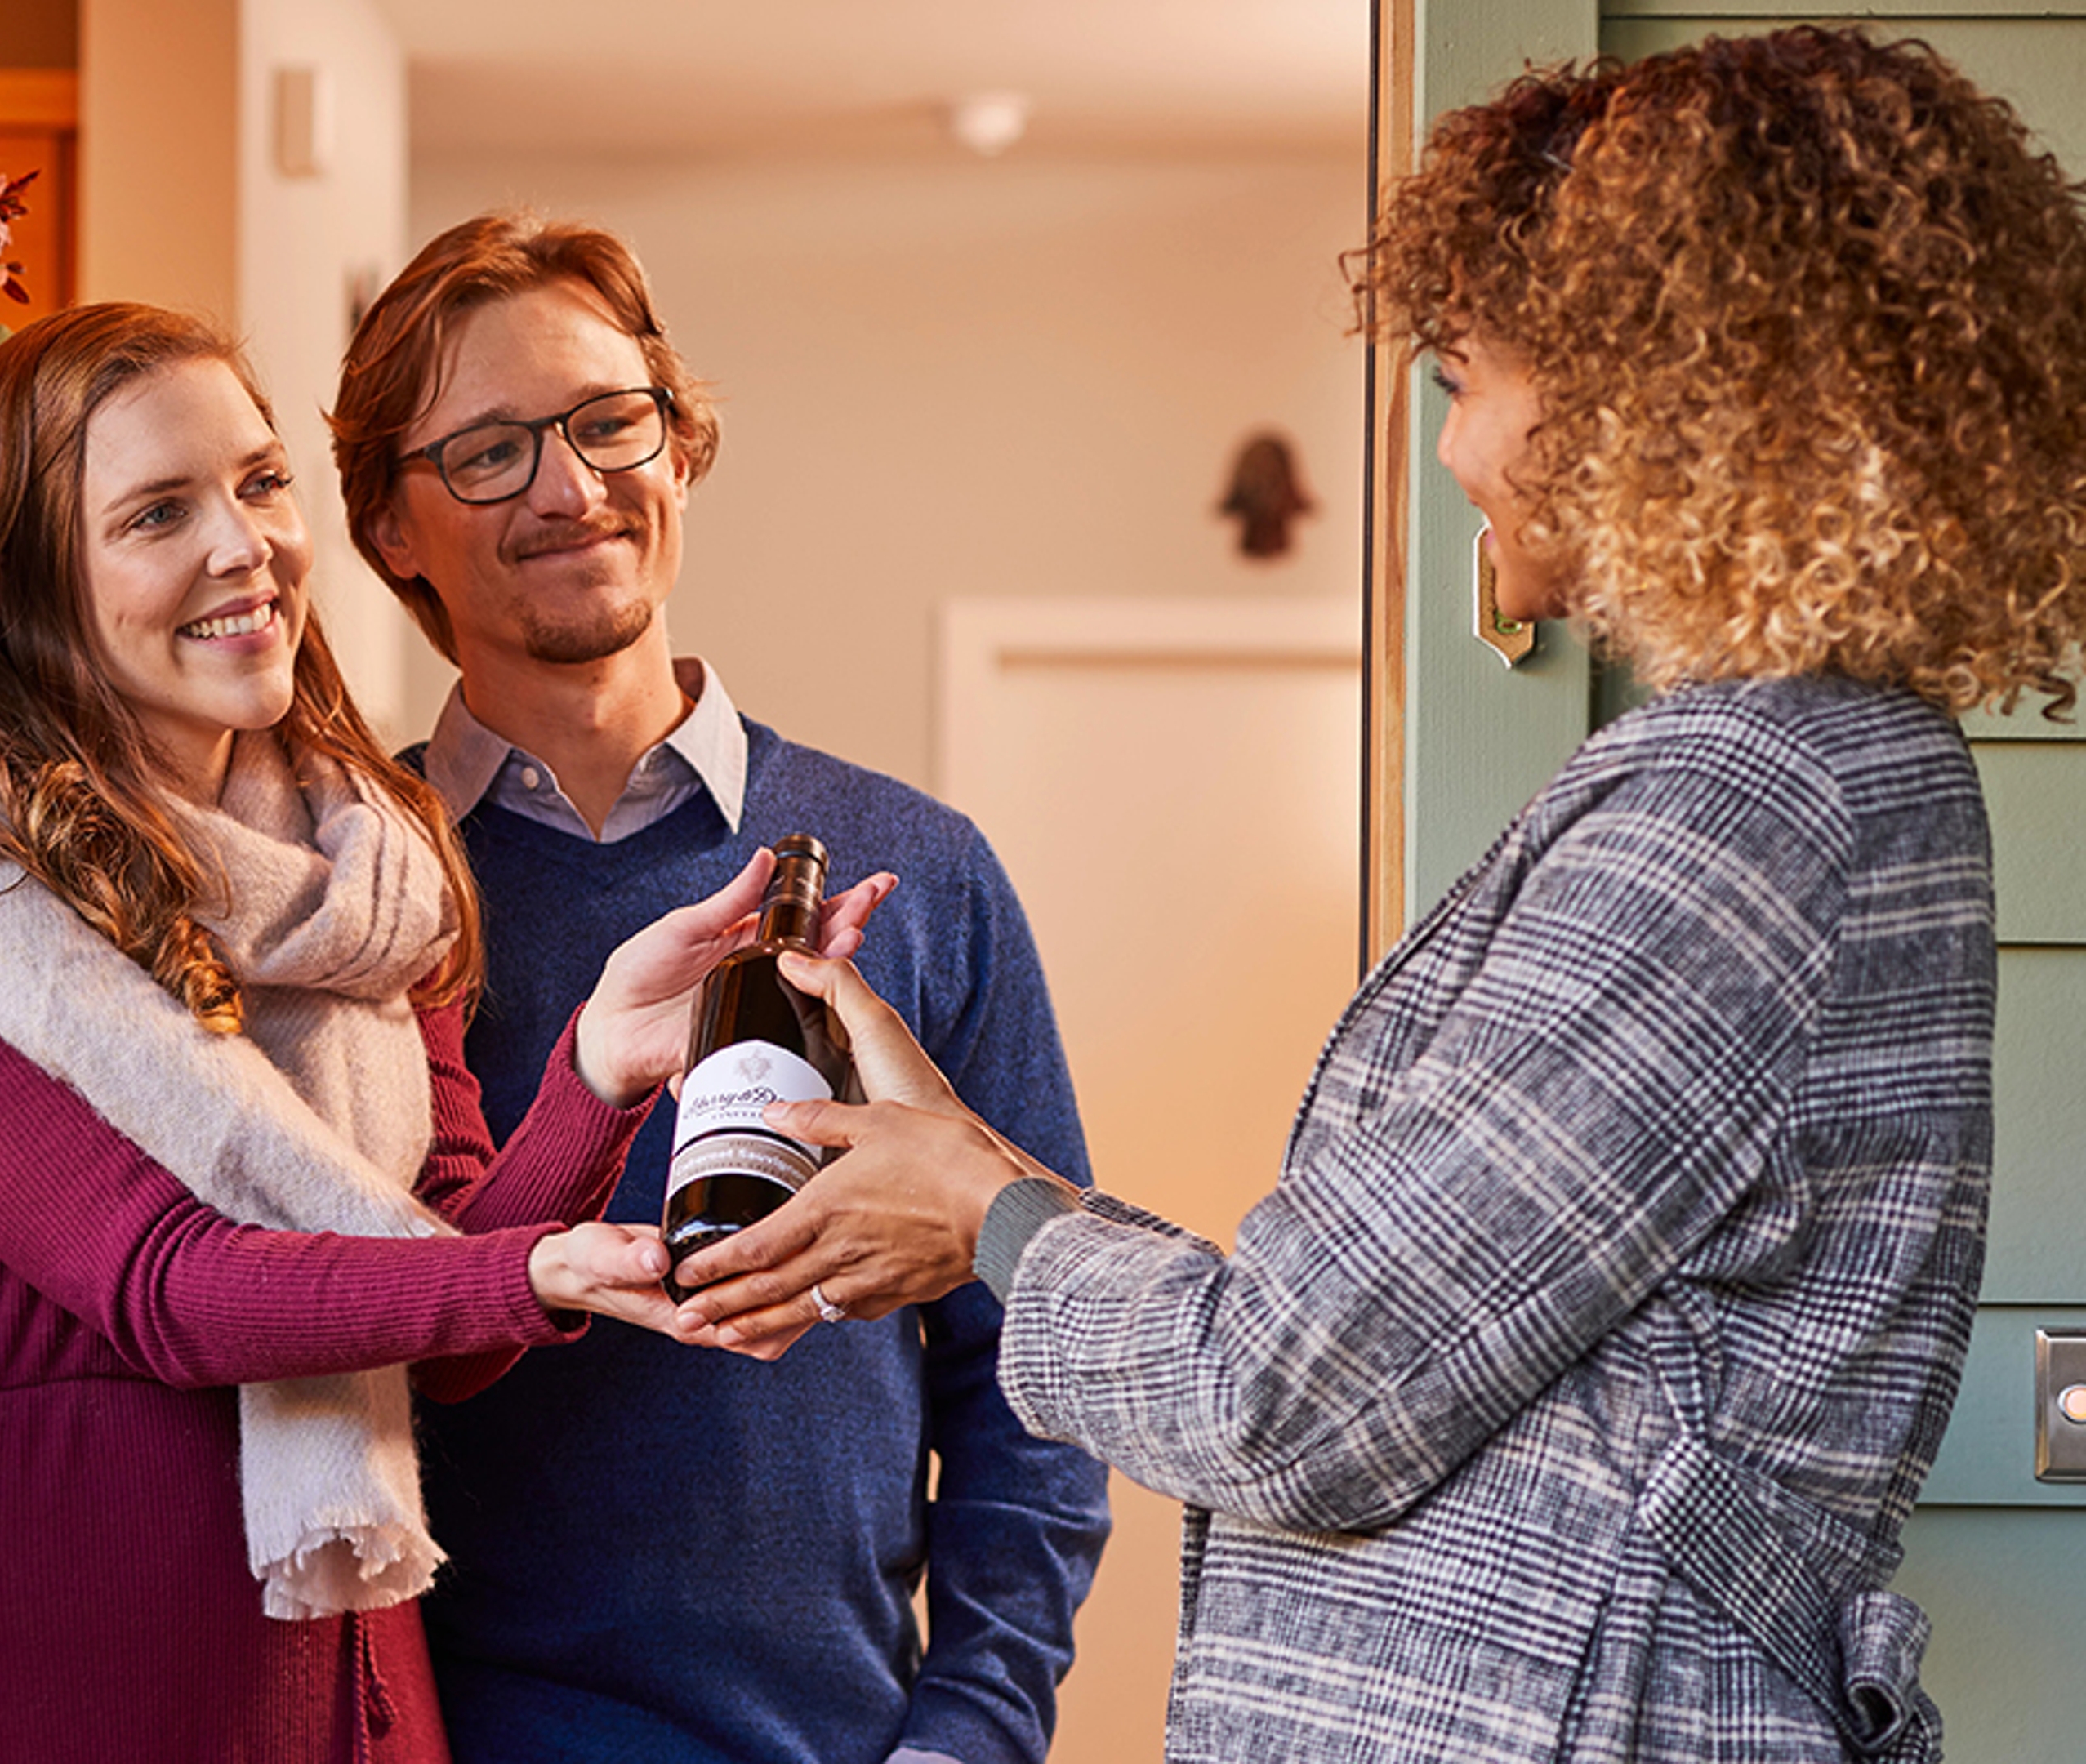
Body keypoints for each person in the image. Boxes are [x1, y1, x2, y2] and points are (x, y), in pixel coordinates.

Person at [671, 29, 2086, 1763]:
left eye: (1467, 380)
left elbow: (1293, 1396)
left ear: (1661, 399)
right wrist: (972, 1160)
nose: (1457, 450)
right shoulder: (1809, 775)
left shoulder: (1744, 804)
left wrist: (983, 1217)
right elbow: (1377, 1330)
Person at [0, 218, 1112, 1764]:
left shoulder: (408, 884)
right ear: (391, 527)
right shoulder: (293, 874)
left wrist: (972, 1735)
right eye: (488, 452)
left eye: (611, 423)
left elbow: (1043, 1354)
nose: (568, 487)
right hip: (430, 1719)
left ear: (680, 450)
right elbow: (164, 1293)